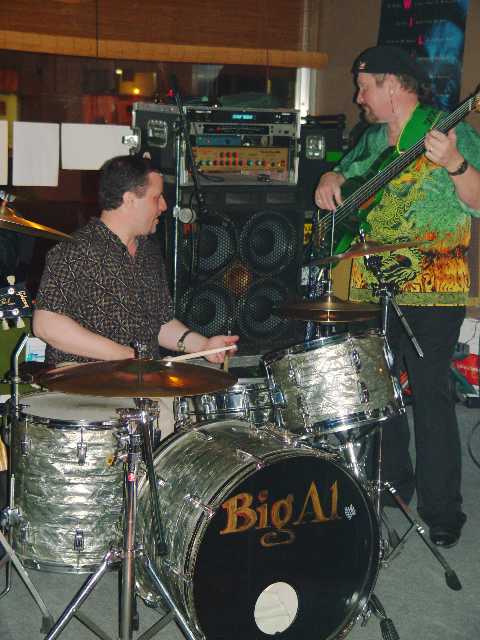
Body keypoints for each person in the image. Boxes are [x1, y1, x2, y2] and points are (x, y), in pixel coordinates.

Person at [315, 45, 480, 548]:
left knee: (430, 395)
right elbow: (346, 172)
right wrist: (330, 176)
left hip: (433, 287)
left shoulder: (452, 131)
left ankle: (443, 508)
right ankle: (395, 485)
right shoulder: (371, 137)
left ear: (393, 85)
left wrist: (455, 164)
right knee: (379, 391)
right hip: (372, 285)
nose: (358, 96)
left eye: (364, 86)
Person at [33, 155, 238, 435]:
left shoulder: (148, 252)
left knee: (198, 415)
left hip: (141, 381)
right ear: (130, 200)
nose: (164, 206)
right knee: (163, 420)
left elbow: (160, 322)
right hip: (85, 385)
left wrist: (203, 345)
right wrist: (125, 357)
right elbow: (46, 324)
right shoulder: (75, 250)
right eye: (157, 198)